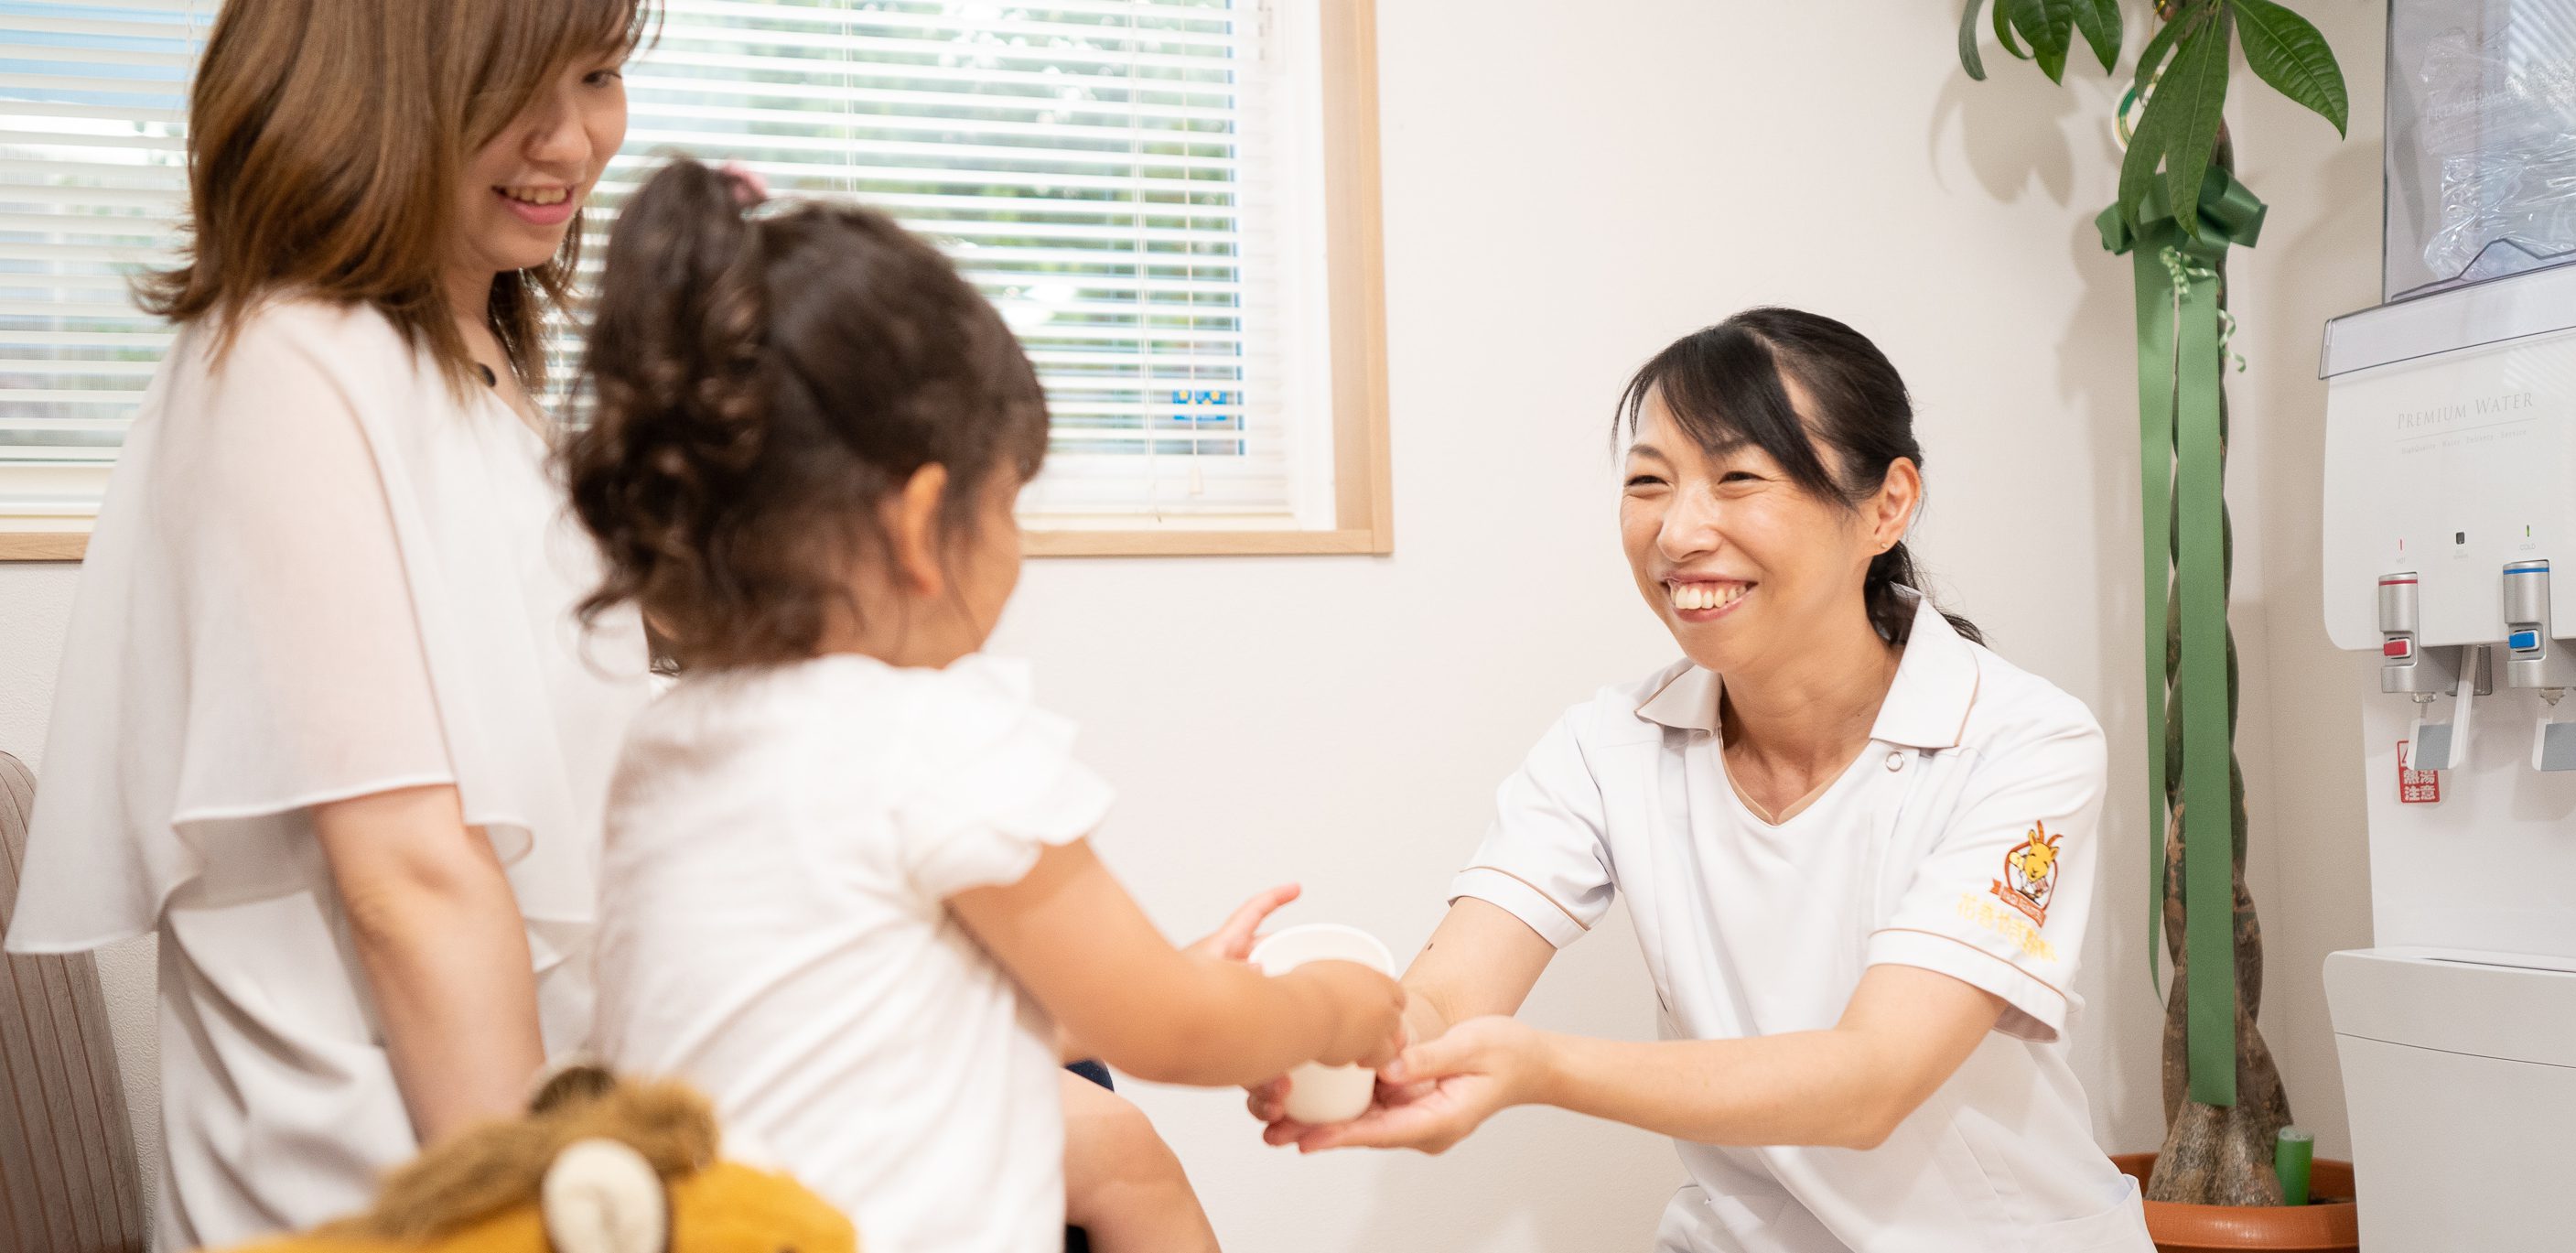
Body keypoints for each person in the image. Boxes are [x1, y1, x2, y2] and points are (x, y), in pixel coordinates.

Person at [568, 159, 1405, 1253]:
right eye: (1009, 504)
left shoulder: (671, 742)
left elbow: (860, 1011)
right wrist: (1332, 1007)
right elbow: (1167, 1026)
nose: (1018, 547)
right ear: (924, 524)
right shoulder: (932, 735)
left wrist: (1156, 974)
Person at [1251, 309, 2153, 1253]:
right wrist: (1317, 1033)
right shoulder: (1606, 745)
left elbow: (1873, 1079)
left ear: (1885, 506)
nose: (1678, 531)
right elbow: (1444, 1000)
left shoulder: (2022, 741)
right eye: (1648, 482)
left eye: (1737, 479)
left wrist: (1539, 1067)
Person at [1, 2, 654, 1246]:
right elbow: (408, 884)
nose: (571, 140)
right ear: (366, 88)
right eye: (512, 85)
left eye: (600, 75)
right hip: (399, 1175)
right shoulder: (291, 361)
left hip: (557, 1097)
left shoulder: (471, 354)